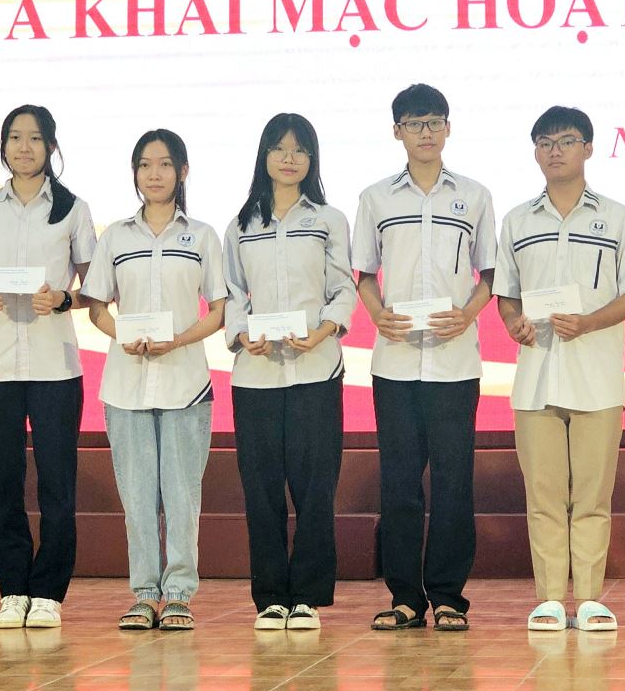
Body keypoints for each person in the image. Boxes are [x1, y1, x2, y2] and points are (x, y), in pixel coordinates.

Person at [494, 106, 625, 632]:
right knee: (543, 497)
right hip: (536, 379)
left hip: (597, 377)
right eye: (545, 142)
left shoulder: (620, 218)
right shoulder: (518, 221)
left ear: (588, 147)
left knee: (591, 497)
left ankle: (587, 598)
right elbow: (507, 295)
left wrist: (588, 323)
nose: (555, 151)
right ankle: (547, 599)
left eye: (565, 141)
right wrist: (514, 323)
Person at [352, 83, 497, 632]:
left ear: (448, 128)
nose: (426, 133)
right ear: (397, 132)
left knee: (455, 483)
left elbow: (490, 274)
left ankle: (449, 596)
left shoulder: (475, 196)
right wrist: (376, 313)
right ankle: (406, 597)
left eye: (435, 122)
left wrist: (468, 314)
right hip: (395, 363)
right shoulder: (376, 198)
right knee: (400, 484)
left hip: (455, 362)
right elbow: (364, 274)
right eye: (415, 123)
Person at [82, 129, 226, 632]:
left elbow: (220, 310)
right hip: (126, 386)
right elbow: (96, 305)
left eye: (165, 164)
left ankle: (180, 594)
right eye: (145, 165)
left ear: (182, 171)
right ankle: (144, 594)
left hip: (186, 383)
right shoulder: (116, 237)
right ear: (135, 173)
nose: (155, 174)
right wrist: (122, 334)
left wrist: (179, 339)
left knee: (182, 496)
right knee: (138, 498)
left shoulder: (202, 236)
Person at [0, 105, 94, 629]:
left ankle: (50, 592)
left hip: (54, 363)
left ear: (51, 147)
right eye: (14, 137)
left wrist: (62, 298)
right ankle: (13, 589)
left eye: (35, 138)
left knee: (57, 482)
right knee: (3, 481)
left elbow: (96, 290)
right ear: (4, 145)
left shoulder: (73, 209)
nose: (23, 147)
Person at [223, 113, 354, 631]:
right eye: (279, 149)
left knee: (316, 489)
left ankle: (308, 597)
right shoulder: (241, 225)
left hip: (316, 370)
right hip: (256, 376)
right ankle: (271, 597)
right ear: (264, 156)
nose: (289, 158)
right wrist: (242, 335)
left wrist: (323, 332)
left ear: (311, 159)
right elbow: (232, 295)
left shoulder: (329, 219)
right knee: (260, 490)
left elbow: (342, 288)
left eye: (300, 150)